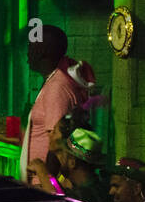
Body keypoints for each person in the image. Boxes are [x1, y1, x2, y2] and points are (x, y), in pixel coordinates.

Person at [19, 26, 96, 183]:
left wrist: (47, 186)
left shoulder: (57, 88)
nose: (27, 51)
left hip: (42, 185)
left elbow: (56, 144)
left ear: (42, 50)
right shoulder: (53, 81)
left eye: (31, 45)